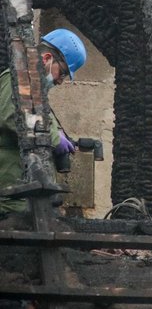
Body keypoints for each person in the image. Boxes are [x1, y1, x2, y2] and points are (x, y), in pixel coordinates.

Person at [0, 29, 88, 215]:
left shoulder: (35, 91)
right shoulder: (15, 79)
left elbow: (38, 119)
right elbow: (11, 118)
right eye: (62, 73)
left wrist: (57, 131)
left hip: (20, 194)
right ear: (47, 58)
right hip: (8, 198)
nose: (60, 81)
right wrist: (55, 137)